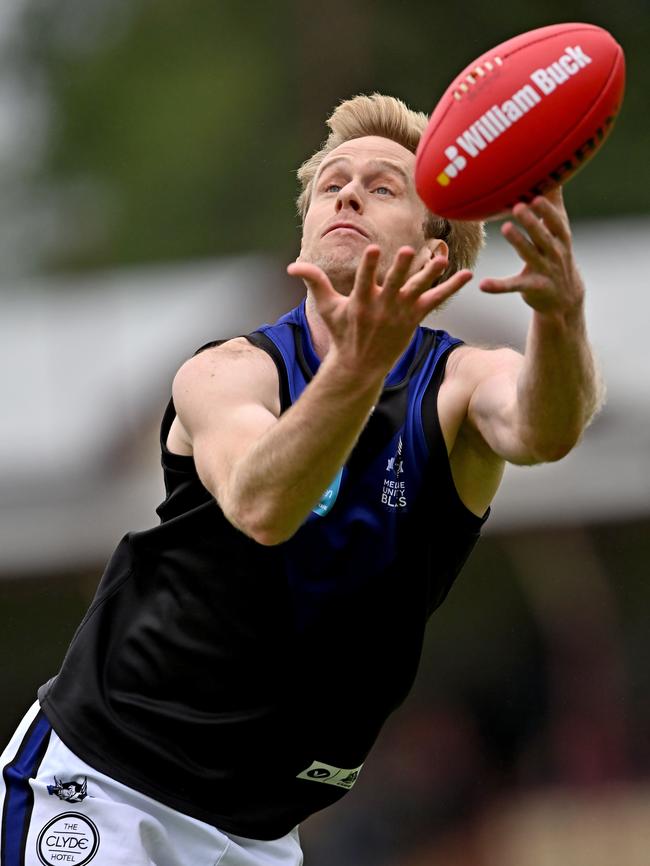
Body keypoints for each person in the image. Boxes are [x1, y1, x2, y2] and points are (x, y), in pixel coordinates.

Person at [0, 93, 602, 866]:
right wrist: (358, 364)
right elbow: (261, 502)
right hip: (109, 785)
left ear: (435, 251)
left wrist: (562, 315)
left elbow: (544, 430)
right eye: (331, 185)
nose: (348, 193)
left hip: (260, 832)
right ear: (307, 233)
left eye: (383, 187)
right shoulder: (227, 371)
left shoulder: (455, 384)